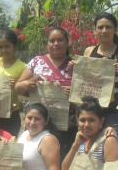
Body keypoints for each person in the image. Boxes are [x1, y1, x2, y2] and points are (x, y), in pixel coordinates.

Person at [15, 26, 75, 156]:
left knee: (61, 162)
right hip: (36, 125)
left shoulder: (74, 65)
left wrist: (74, 92)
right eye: (52, 40)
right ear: (47, 43)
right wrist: (27, 83)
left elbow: (85, 96)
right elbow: (17, 88)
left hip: (66, 127)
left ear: (67, 42)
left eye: (60, 40)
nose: (56, 44)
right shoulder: (37, 62)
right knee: (35, 161)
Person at [77, 12, 118, 135]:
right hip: (90, 110)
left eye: (108, 27)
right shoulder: (89, 51)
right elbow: (83, 80)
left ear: (115, 30)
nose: (104, 30)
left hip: (112, 110)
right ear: (94, 30)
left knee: (110, 143)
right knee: (89, 147)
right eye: (100, 27)